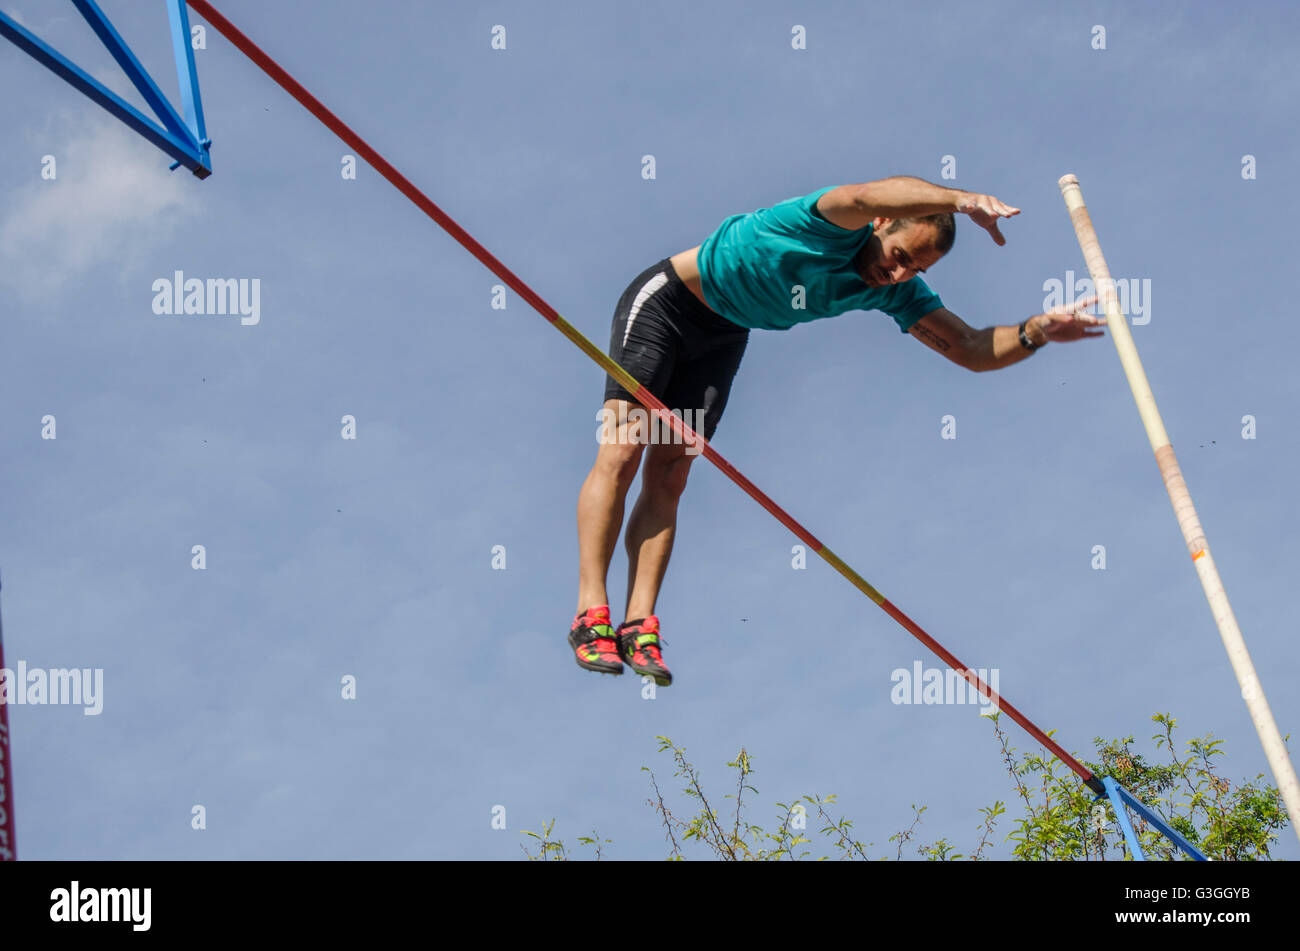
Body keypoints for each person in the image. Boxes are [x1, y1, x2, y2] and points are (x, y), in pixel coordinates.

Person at [569, 176, 1104, 686]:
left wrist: (1036, 331)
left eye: (914, 269)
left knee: (670, 477)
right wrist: (963, 200)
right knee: (623, 450)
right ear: (879, 224)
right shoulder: (832, 222)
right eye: (899, 257)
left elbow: (967, 347)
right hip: (668, 305)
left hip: (723, 335)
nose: (897, 276)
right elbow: (870, 191)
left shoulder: (892, 289)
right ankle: (590, 611)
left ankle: (639, 623)